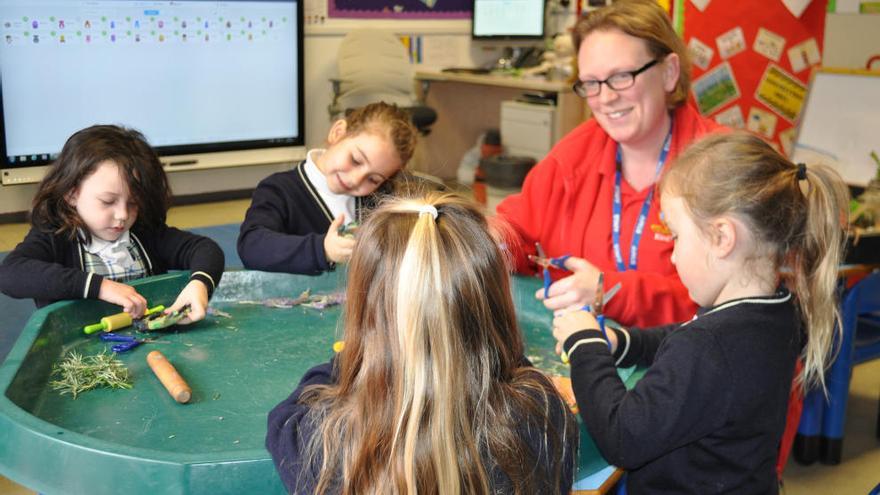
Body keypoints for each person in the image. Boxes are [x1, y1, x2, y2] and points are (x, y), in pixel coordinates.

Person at [551, 132, 849, 493]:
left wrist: (586, 346)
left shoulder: (709, 347)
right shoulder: (776, 311)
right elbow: (685, 335)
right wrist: (624, 341)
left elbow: (623, 436)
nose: (673, 255)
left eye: (675, 236)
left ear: (723, 237)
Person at [266, 192, 577, 494]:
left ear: (368, 317)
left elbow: (284, 416)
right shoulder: (543, 417)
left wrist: (359, 354)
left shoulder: (320, 441)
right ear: (493, 307)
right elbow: (513, 365)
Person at [496, 0, 722, 327]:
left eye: (621, 77)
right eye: (591, 83)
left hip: (688, 363)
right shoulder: (575, 153)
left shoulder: (724, 167)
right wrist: (491, 239)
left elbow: (736, 302)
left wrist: (610, 290)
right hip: (588, 354)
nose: (605, 98)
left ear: (670, 72)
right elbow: (517, 227)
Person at [0, 125, 224, 323]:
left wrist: (200, 284)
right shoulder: (55, 237)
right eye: (108, 201)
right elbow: (10, 274)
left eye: (134, 203)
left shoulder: (145, 233)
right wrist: (100, 286)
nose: (122, 215)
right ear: (71, 193)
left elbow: (205, 249)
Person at [237, 102, 418, 275]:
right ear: (337, 133)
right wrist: (322, 249)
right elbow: (251, 247)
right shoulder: (279, 190)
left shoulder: (382, 198)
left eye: (373, 179)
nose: (356, 180)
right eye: (355, 160)